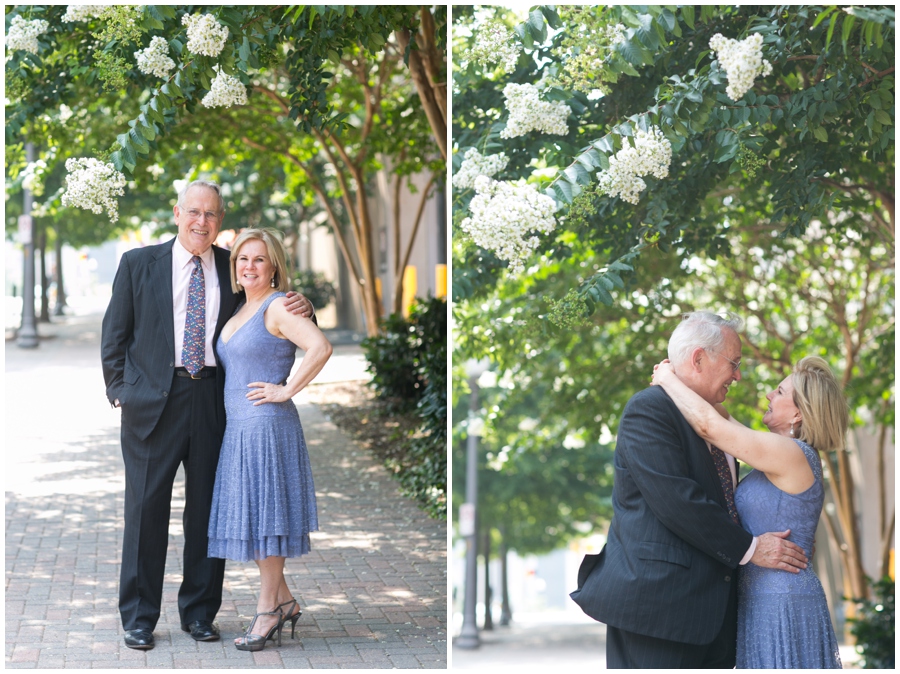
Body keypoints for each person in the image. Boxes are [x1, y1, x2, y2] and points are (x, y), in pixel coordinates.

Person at [101, 181, 314, 651]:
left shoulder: (231, 266)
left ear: (220, 220)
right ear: (177, 213)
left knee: (205, 512)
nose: (202, 222)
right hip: (152, 404)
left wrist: (305, 306)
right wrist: (120, 392)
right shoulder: (139, 264)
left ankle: (199, 613)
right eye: (194, 212)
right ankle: (139, 618)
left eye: (212, 214)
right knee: (145, 511)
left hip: (213, 402)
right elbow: (115, 333)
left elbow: (269, 309)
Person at [570, 312, 810, 669]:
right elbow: (678, 502)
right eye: (734, 363)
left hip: (717, 620)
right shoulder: (649, 410)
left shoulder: (717, 422)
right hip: (659, 613)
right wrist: (752, 548)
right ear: (699, 358)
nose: (739, 375)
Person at [651, 354, 846, 668]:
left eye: (780, 392)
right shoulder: (775, 453)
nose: (769, 394)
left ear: (798, 414)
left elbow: (710, 426)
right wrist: (690, 372)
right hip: (760, 597)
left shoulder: (793, 454)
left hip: (781, 600)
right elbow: (719, 416)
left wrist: (665, 378)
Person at [206, 228, 332, 651]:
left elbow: (319, 345)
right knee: (259, 520)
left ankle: (266, 612)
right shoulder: (243, 306)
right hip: (240, 429)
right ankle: (285, 603)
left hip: (266, 427)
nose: (249, 266)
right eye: (243, 259)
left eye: (259, 259)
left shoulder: (277, 306)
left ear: (274, 265)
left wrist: (286, 389)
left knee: (266, 523)